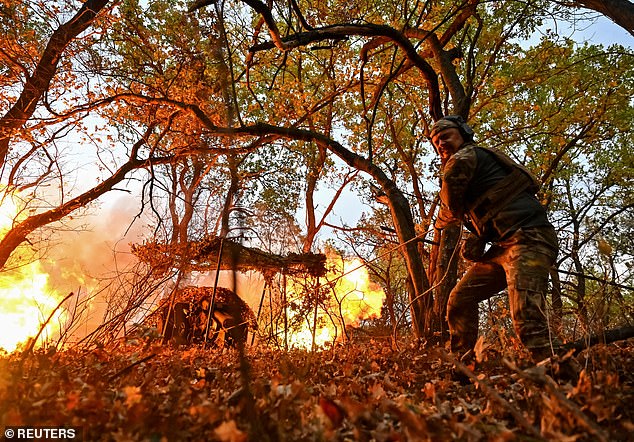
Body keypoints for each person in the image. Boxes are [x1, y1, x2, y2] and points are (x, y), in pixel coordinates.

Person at [430, 115, 561, 364]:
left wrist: (438, 224)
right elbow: (485, 209)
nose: (441, 144)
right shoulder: (472, 165)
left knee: (527, 319)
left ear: (464, 133)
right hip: (504, 248)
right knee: (460, 299)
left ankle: (568, 380)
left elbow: (449, 204)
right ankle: (463, 369)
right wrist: (478, 237)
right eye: (436, 142)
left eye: (445, 136)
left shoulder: (464, 158)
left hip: (529, 240)